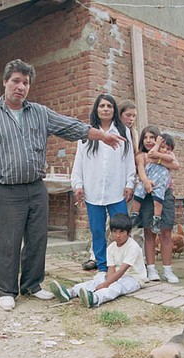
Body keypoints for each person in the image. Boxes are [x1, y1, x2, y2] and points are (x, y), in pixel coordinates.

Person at [0, 59, 126, 311]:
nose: (21, 87)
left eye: (26, 82)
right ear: (5, 82)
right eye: (16, 81)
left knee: (37, 238)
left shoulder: (40, 113)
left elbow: (71, 127)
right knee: (7, 241)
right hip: (5, 189)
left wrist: (103, 135)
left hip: (35, 187)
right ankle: (6, 290)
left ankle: (32, 284)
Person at [71, 94, 136, 275]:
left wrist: (130, 182)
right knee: (97, 230)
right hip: (93, 190)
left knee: (122, 229)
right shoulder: (87, 133)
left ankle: (122, 266)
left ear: (114, 110)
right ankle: (102, 267)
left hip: (116, 191)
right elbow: (79, 162)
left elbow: (129, 160)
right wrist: (78, 184)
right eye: (102, 106)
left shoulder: (123, 132)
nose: (106, 109)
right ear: (96, 109)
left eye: (109, 106)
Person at [49, 213, 146, 307]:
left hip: (134, 278)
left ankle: (95, 299)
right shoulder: (111, 248)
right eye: (115, 231)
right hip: (117, 275)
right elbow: (111, 268)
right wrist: (106, 281)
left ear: (128, 233)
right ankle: (70, 292)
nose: (118, 235)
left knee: (117, 287)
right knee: (98, 280)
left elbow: (122, 270)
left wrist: (107, 284)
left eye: (122, 232)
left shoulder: (132, 247)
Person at [134, 125, 181, 284]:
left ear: (159, 140)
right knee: (149, 232)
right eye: (145, 138)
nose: (148, 141)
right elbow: (141, 169)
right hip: (147, 194)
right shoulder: (141, 155)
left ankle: (168, 270)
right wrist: (146, 182)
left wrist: (160, 158)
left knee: (166, 232)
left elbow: (175, 165)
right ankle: (151, 268)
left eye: (152, 138)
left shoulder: (165, 153)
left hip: (164, 194)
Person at [130, 133, 176, 234]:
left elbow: (174, 162)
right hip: (148, 181)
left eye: (168, 149)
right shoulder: (145, 154)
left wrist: (158, 157)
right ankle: (134, 214)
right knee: (138, 193)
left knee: (158, 200)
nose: (165, 150)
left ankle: (157, 219)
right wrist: (157, 145)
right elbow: (150, 155)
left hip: (159, 183)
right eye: (162, 147)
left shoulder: (167, 155)